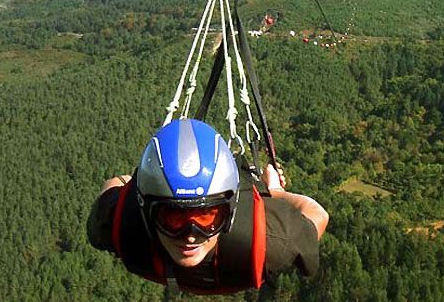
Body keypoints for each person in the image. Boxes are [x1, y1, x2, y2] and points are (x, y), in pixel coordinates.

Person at [88, 118, 329, 294]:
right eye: (173, 219)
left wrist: (274, 191)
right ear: (146, 212)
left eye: (207, 218)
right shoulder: (119, 225)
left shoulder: (271, 241)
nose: (190, 236)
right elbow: (315, 213)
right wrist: (277, 191)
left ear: (230, 213)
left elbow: (113, 184)